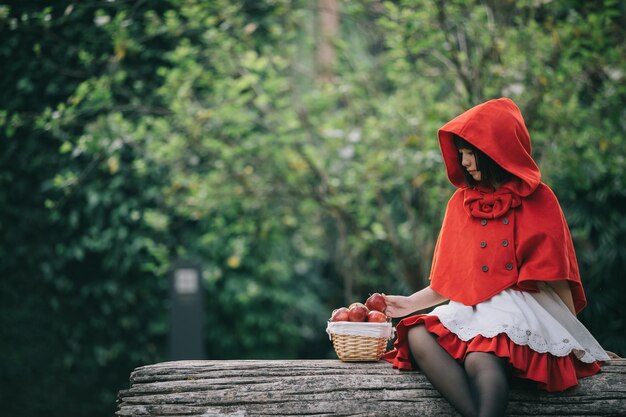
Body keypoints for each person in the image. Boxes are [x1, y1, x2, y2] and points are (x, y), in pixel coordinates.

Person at [381, 98, 612, 417]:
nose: (464, 163)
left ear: (496, 149)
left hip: (520, 309)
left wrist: (575, 339)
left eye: (470, 152)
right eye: (461, 153)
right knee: (418, 334)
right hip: (472, 308)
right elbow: (452, 280)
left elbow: (557, 278)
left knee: (481, 358)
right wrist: (406, 304)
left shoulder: (540, 199)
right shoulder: (459, 203)